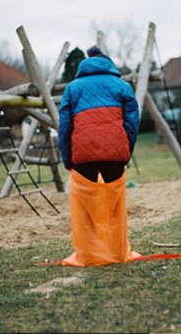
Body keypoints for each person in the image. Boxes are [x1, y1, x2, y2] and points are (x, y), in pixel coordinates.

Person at [58, 45, 141, 266]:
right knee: (115, 208)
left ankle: (88, 254)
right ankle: (116, 253)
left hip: (83, 155)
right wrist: (125, 153)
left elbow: (64, 127)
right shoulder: (122, 86)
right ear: (108, 62)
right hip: (115, 154)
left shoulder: (72, 89)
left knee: (84, 209)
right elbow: (132, 125)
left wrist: (68, 159)